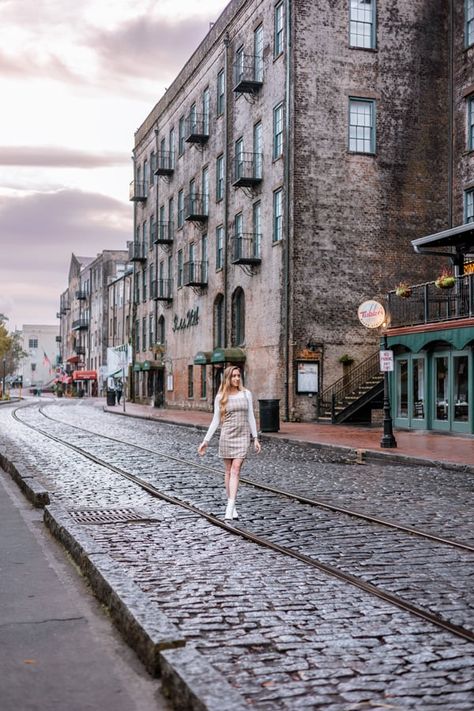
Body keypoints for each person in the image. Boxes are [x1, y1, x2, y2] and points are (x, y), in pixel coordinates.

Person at [198, 365, 261, 520]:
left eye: (238, 376)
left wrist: (255, 438)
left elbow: (251, 416)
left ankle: (230, 507)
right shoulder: (220, 397)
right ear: (227, 378)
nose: (237, 379)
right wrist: (206, 441)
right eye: (233, 376)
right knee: (228, 471)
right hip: (227, 436)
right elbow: (215, 420)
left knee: (236, 469)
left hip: (242, 436)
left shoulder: (246, 394)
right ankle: (231, 505)